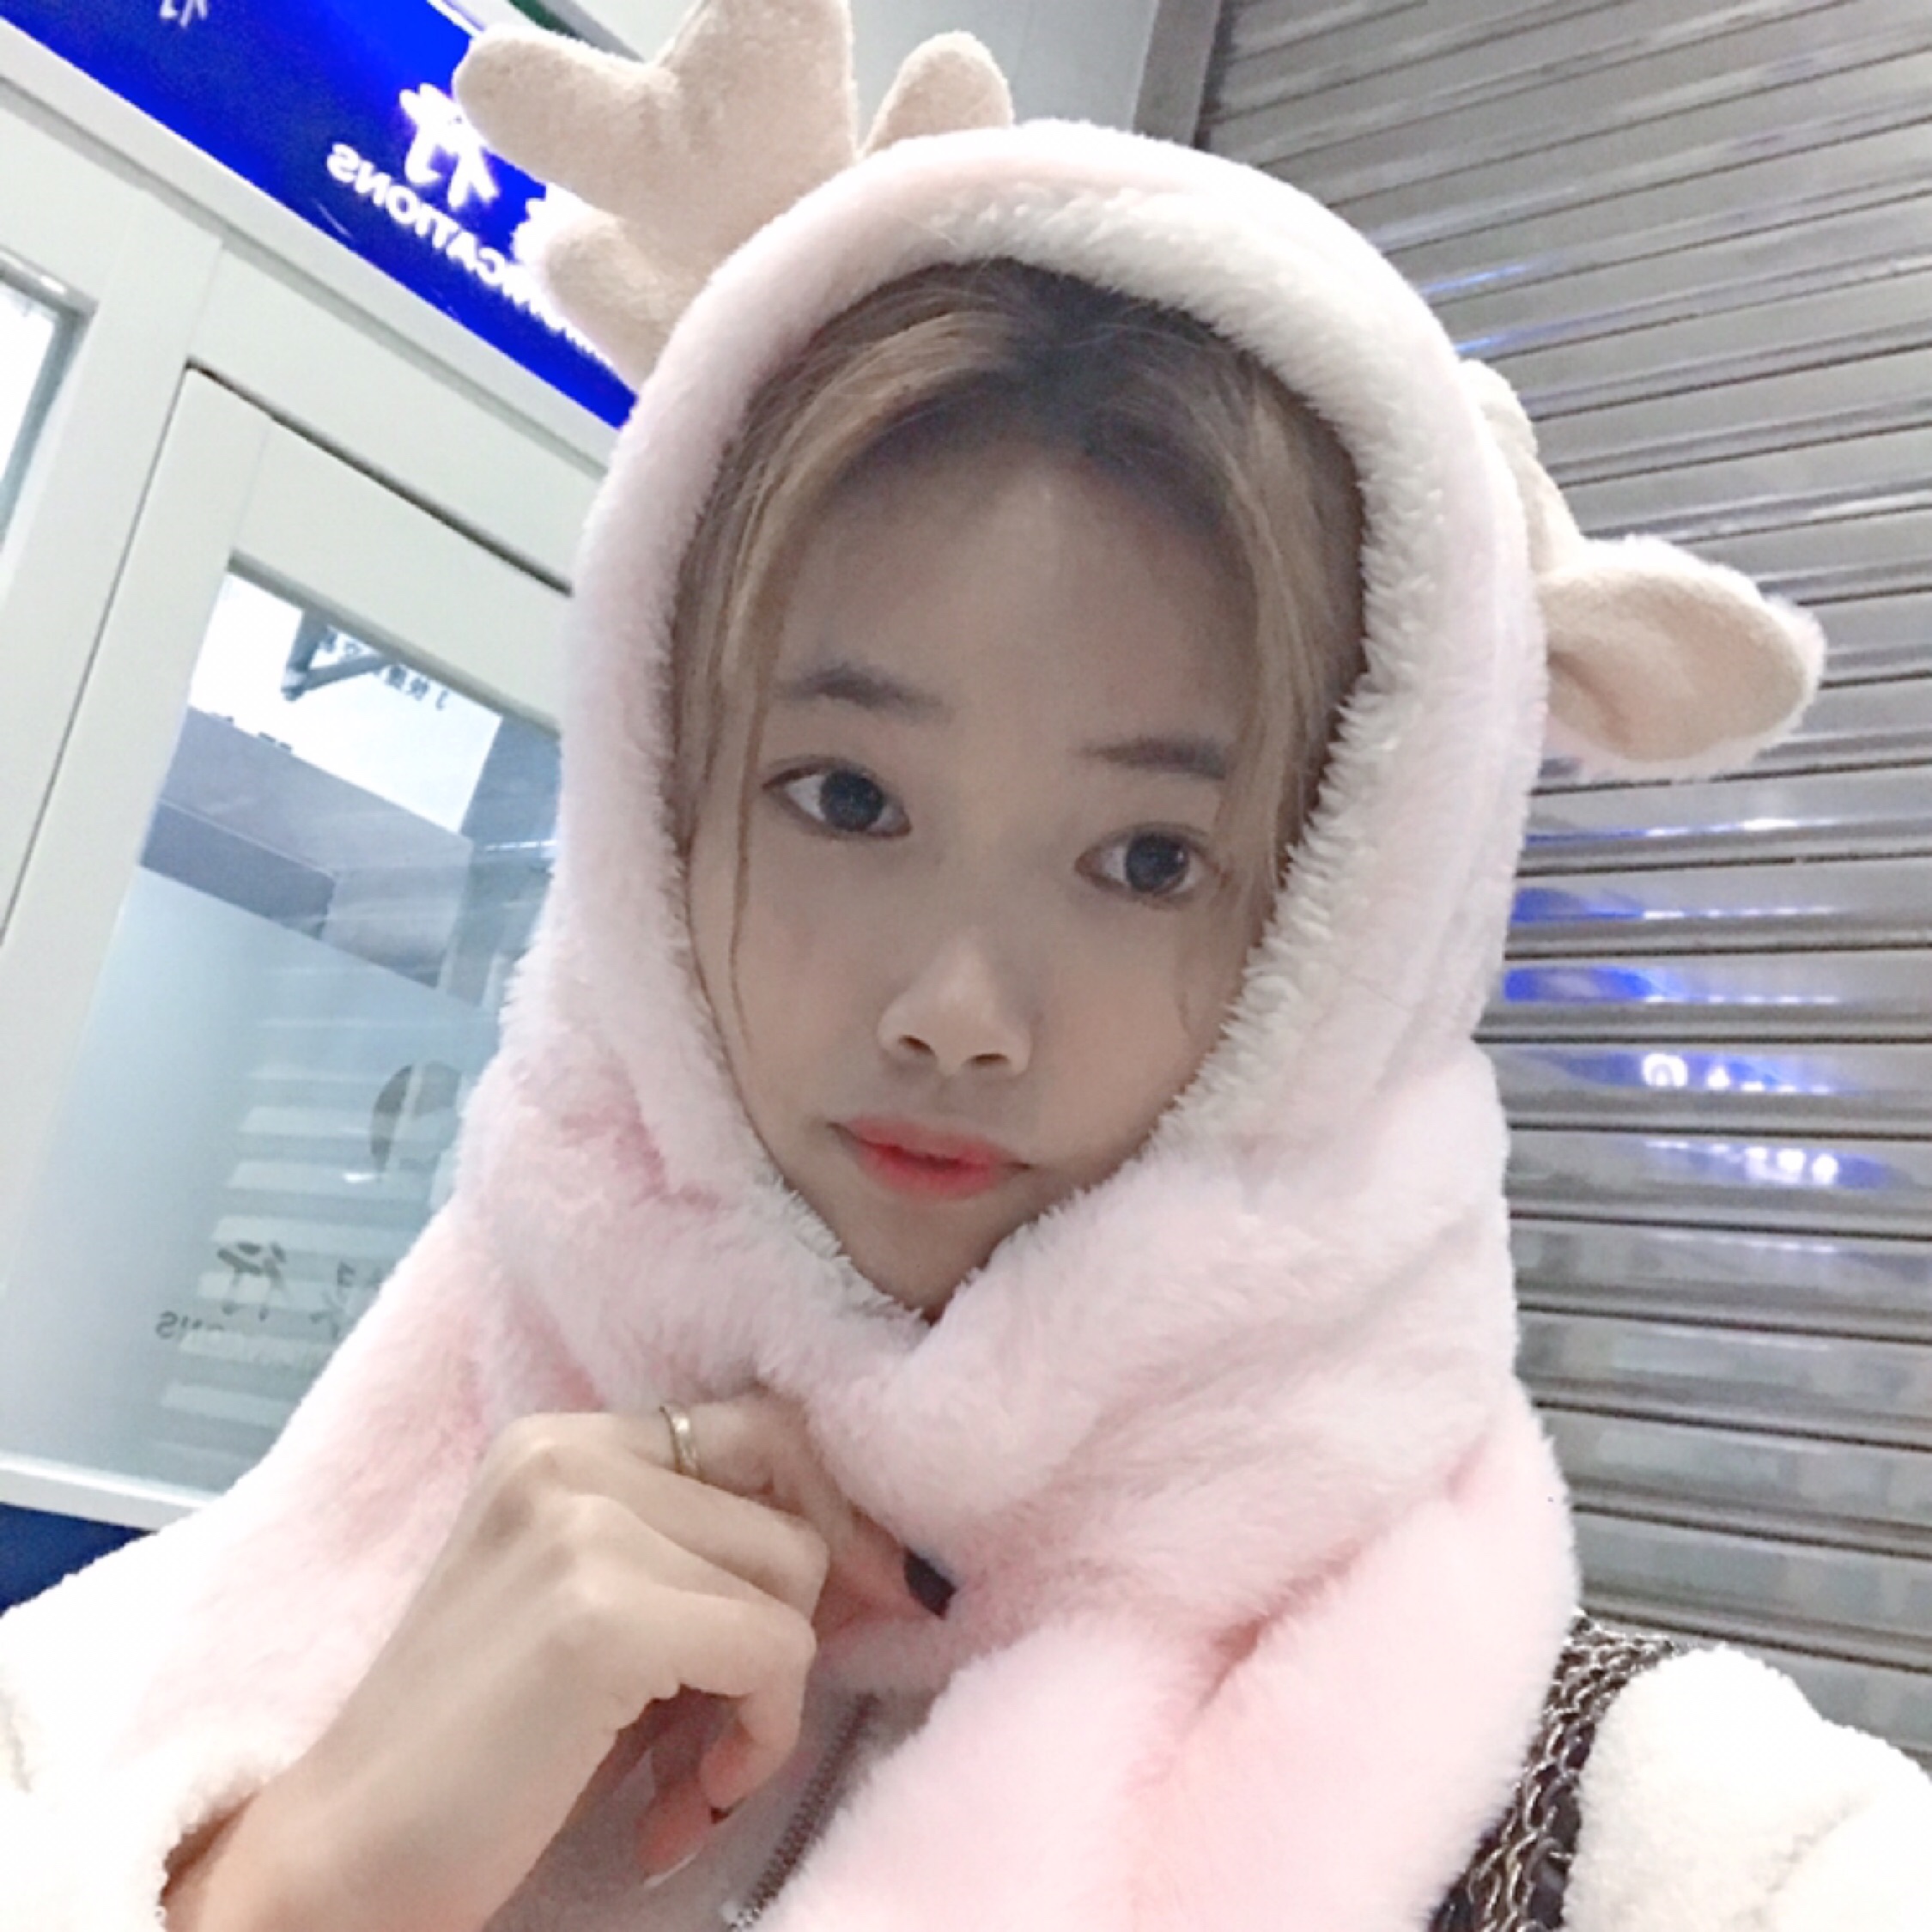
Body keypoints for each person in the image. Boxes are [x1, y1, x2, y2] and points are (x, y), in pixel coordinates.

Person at [3, 3, 1928, 1929]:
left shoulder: (1650, 1836)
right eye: (846, 797)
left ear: (1356, 926)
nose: (956, 1012)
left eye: (1151, 860)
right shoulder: (234, 1636)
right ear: (663, 805)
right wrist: (287, 1885)